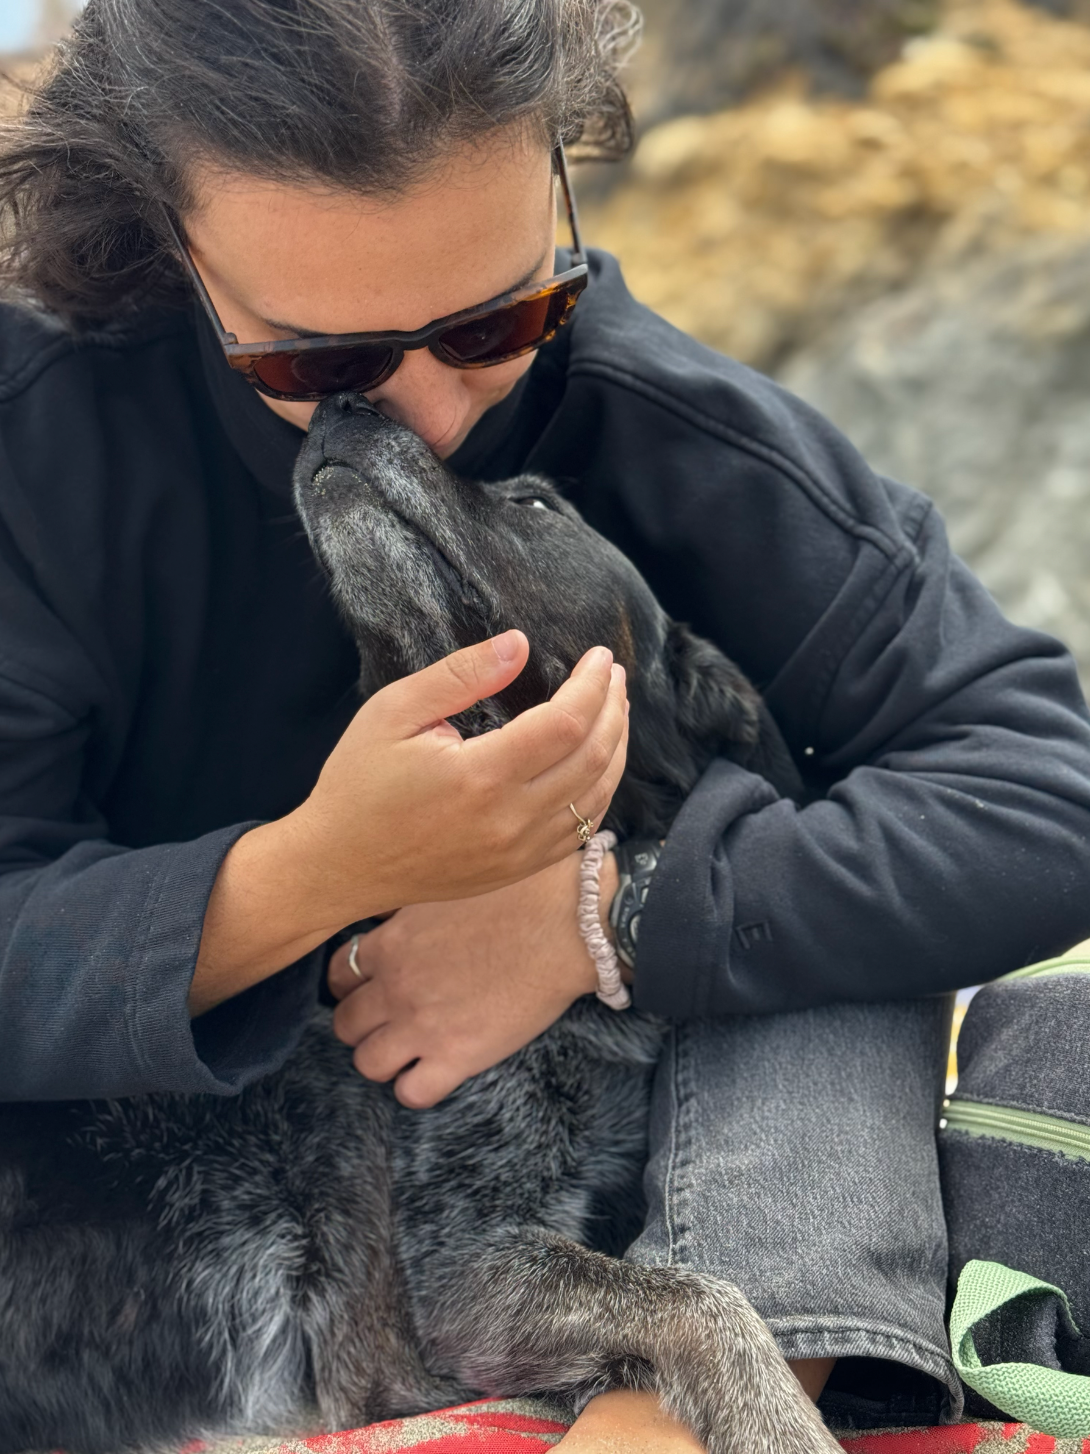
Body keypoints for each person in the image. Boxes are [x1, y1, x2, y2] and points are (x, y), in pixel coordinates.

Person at [1, 0, 1089, 1447]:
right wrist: (307, 875)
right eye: (318, 368)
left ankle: (685, 1401)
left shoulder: (654, 418)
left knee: (823, 895)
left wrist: (603, 912)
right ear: (165, 240)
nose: (433, 419)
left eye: (495, 321)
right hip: (114, 1239)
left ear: (562, 173)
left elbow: (1041, 788)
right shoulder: (35, 442)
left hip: (567, 1206)